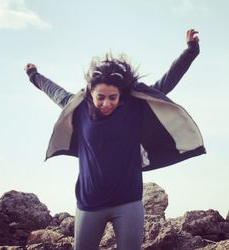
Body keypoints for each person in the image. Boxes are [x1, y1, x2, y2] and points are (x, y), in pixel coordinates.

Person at [25, 29, 205, 250]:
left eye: (113, 97)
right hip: (89, 205)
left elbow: (167, 82)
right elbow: (53, 90)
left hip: (128, 203)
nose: (106, 103)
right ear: (91, 93)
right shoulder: (79, 108)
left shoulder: (134, 107)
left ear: (120, 95)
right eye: (101, 97)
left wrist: (191, 50)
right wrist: (34, 75)